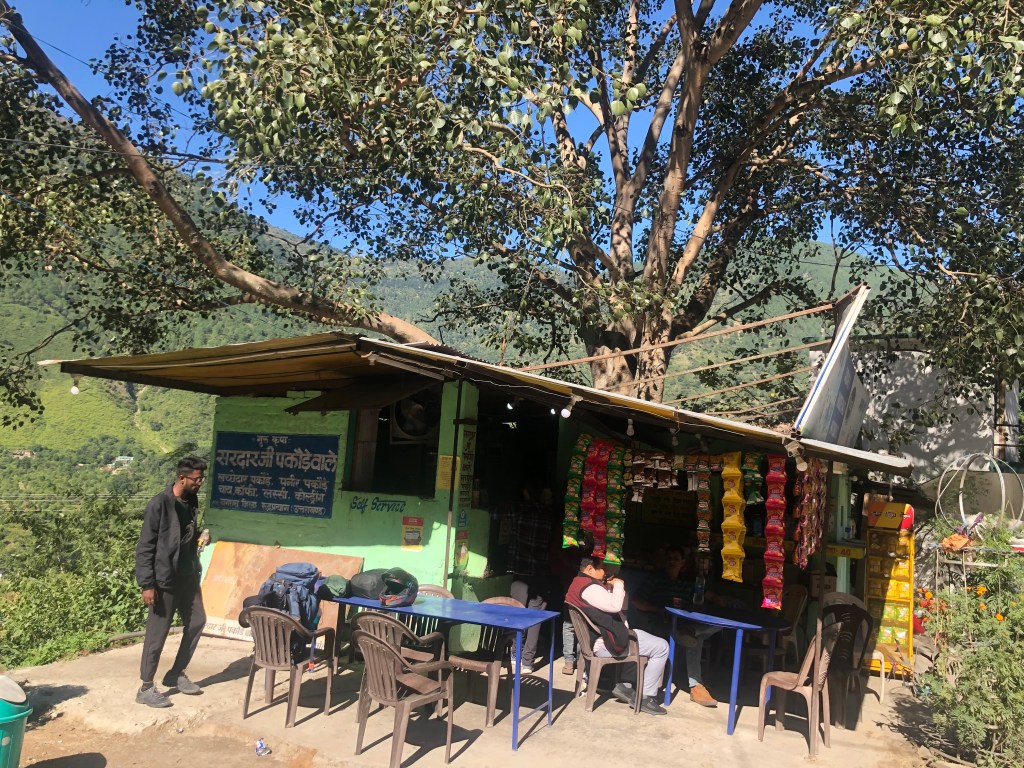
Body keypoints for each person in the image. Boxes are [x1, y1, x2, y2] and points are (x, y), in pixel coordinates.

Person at [134, 457, 208, 708]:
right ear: (182, 478)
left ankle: (176, 673)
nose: (200, 483)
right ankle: (145, 687)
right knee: (158, 634)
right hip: (164, 579)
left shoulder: (191, 501)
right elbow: (145, 547)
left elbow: (184, 535)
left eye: (201, 479)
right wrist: (147, 584)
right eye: (197, 479)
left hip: (188, 575)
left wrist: (200, 537)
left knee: (198, 621)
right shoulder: (159, 504)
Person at [565, 539, 668, 715]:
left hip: (598, 640)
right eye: (602, 568)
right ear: (590, 569)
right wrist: (619, 584)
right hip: (603, 644)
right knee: (662, 647)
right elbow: (615, 607)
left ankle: (624, 686)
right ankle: (645, 697)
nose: (605, 573)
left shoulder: (578, 583)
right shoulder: (590, 588)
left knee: (639, 635)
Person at [631, 544, 721, 707]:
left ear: (683, 562)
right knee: (696, 639)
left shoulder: (687, 582)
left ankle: (690, 631)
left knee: (718, 625)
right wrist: (658, 610)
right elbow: (636, 601)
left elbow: (710, 596)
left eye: (676, 559)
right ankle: (695, 685)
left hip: (684, 623)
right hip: (660, 624)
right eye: (669, 558)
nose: (672, 561)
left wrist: (723, 602)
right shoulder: (656, 578)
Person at [508, 484, 553, 673]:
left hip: (521, 573)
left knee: (517, 616)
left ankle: (513, 655)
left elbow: (494, 514)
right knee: (534, 620)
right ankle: (526, 661)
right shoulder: (550, 515)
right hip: (540, 574)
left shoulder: (519, 512)